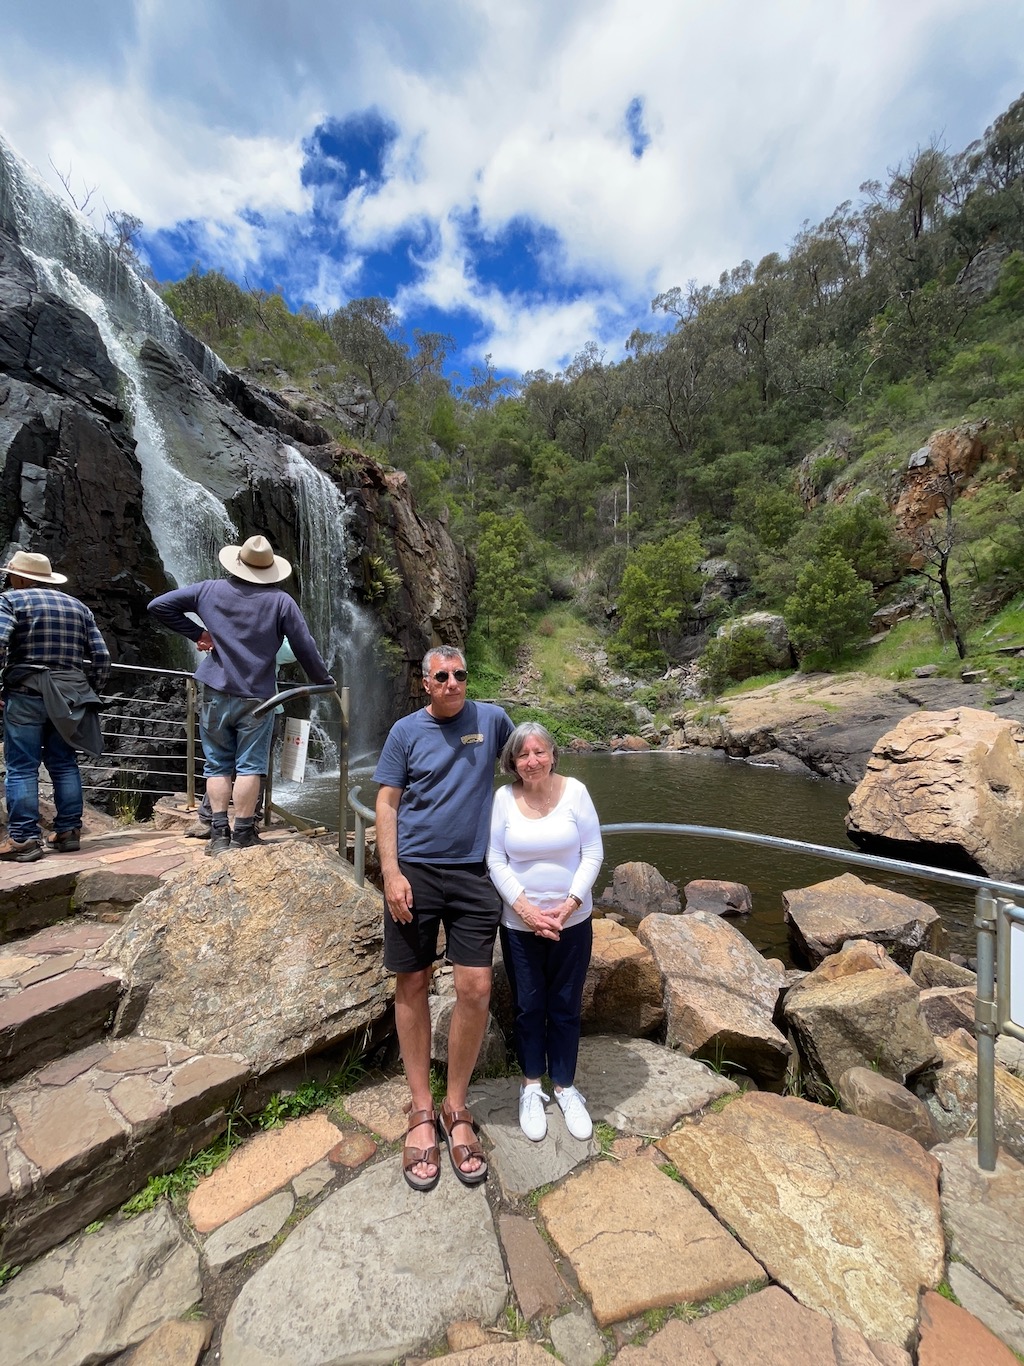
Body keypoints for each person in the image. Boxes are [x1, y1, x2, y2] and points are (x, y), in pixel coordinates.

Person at [374, 644, 513, 1191]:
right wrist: (390, 873)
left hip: (476, 874)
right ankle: (420, 1109)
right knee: (411, 981)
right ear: (425, 683)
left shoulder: (492, 719)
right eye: (441, 676)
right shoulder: (405, 732)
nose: (453, 682)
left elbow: (531, 760)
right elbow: (387, 802)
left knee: (475, 987)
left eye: (459, 674)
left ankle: (457, 1109)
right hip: (416, 872)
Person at [148, 535, 333, 855]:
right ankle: (243, 832)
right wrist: (322, 680)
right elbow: (305, 647)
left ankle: (219, 835)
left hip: (215, 690)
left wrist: (199, 633)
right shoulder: (280, 602)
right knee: (250, 766)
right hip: (257, 696)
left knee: (216, 765)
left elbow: (159, 606)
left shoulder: (209, 589)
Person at [487, 721, 603, 1143]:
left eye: (539, 752)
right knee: (529, 1006)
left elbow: (592, 851)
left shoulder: (575, 792)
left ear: (553, 754)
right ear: (512, 762)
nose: (532, 761)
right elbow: (495, 858)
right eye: (523, 754)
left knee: (566, 1006)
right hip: (520, 924)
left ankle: (566, 1087)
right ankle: (531, 1086)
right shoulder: (503, 798)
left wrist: (569, 902)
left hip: (572, 921)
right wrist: (525, 908)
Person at [0, 550, 110, 863]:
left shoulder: (10, 600)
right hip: (70, 696)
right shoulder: (78, 606)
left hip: (26, 691)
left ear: (21, 577)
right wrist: (91, 689)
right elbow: (101, 657)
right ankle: (68, 832)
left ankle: (23, 838)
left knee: (22, 767)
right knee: (64, 764)